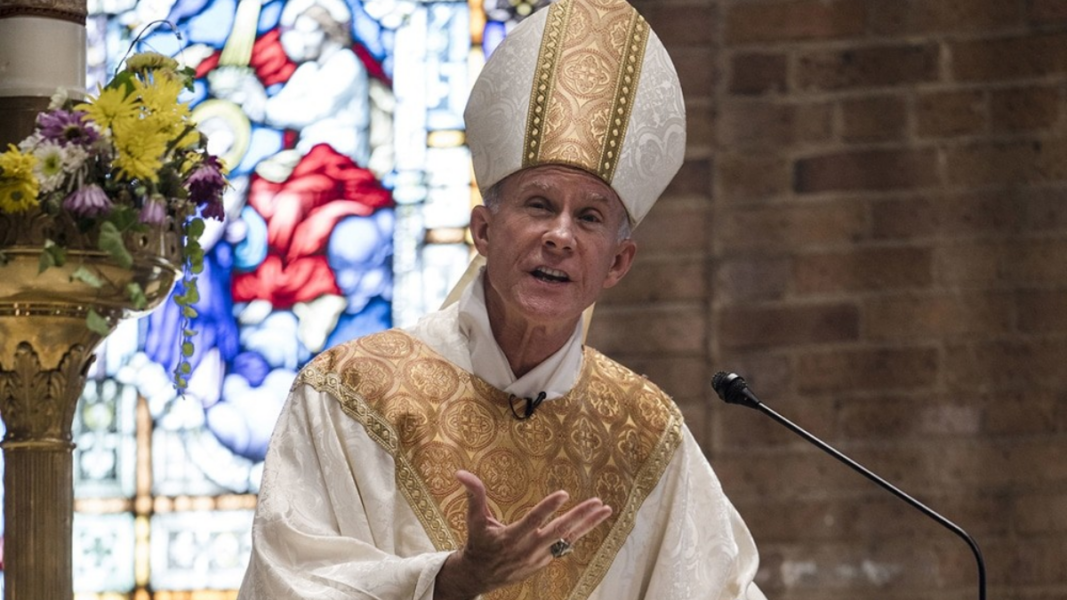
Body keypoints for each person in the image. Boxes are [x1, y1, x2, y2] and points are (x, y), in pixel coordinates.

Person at [237, 0, 767, 598]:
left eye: (589, 217)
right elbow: (289, 578)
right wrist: (449, 581)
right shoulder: (351, 393)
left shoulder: (645, 433)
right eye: (539, 204)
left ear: (617, 264)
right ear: (484, 231)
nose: (560, 235)